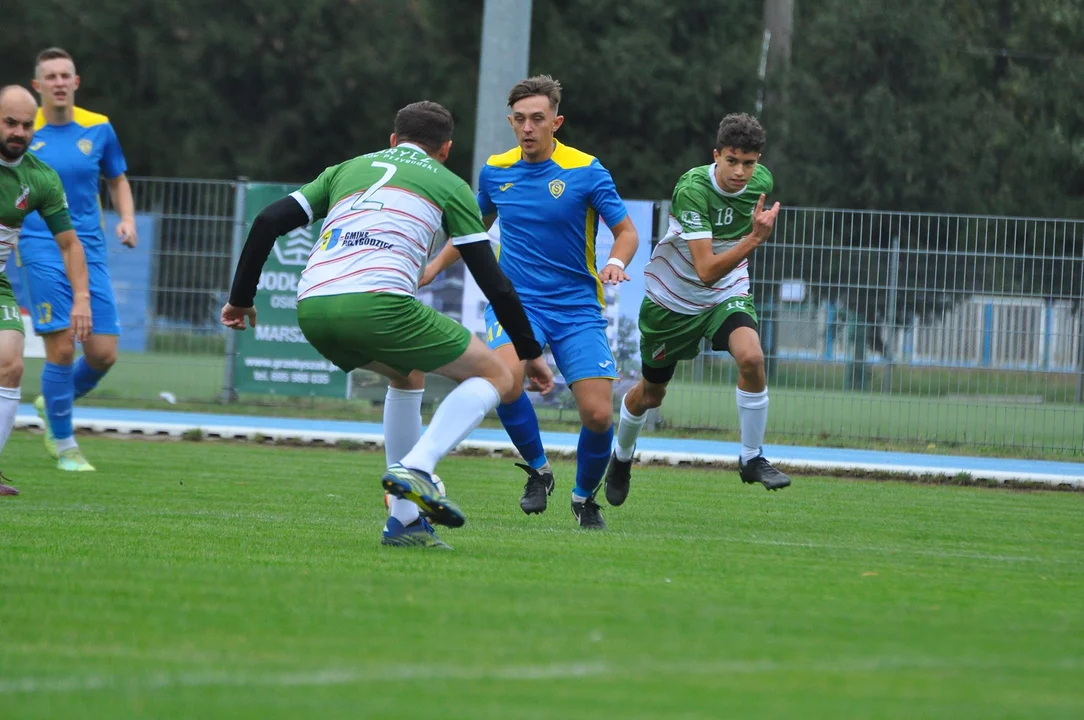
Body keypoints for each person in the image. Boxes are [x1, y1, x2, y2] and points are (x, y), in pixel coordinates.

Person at [221, 100, 553, 550]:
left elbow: (266, 221)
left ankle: (405, 522)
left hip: (313, 307)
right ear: (446, 149)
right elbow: (495, 283)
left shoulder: (346, 169)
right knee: (497, 374)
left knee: (407, 374)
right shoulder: (448, 183)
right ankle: (418, 467)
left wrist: (241, 300)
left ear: (393, 140)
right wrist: (530, 351)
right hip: (377, 305)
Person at [421, 75, 638, 529]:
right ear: (510, 121)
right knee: (502, 380)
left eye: (537, 119)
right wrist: (433, 268)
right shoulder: (496, 171)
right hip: (516, 303)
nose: (528, 128)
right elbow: (471, 229)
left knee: (598, 414)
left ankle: (583, 498)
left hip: (577, 307)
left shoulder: (586, 170)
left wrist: (617, 261)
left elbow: (626, 231)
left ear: (556, 122)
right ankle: (539, 471)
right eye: (519, 119)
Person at [604, 113, 790, 506]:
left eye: (750, 162)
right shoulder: (692, 189)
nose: (741, 172)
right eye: (733, 161)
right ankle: (620, 458)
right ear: (716, 155)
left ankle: (752, 458)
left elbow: (718, 276)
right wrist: (754, 240)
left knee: (752, 357)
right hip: (673, 300)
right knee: (651, 395)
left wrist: (746, 243)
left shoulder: (762, 181)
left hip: (725, 293)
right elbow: (705, 270)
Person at [18, 47, 137, 472]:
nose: (59, 83)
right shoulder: (21, 131)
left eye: (65, 75)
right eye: (49, 77)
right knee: (64, 344)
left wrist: (126, 219)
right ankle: (65, 443)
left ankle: (53, 400)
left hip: (88, 247)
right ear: (37, 87)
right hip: (39, 243)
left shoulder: (98, 127)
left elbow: (117, 179)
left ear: (76, 82)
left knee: (103, 353)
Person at [0, 85, 93, 492]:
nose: (18, 131)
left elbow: (70, 244)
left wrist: (82, 299)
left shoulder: (39, 178)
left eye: (26, 124)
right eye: (9, 122)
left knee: (11, 363)